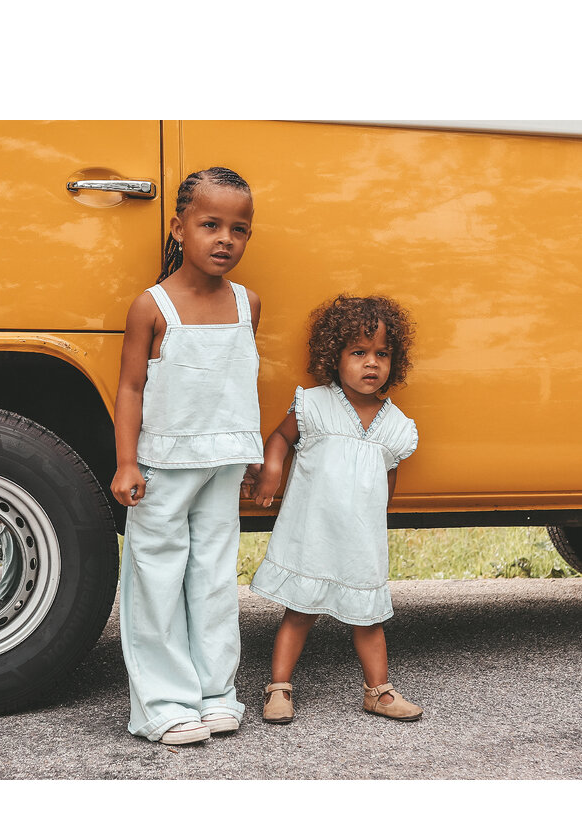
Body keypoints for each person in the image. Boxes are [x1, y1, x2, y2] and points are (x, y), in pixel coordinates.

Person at [110, 167, 263, 745]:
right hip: (162, 468)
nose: (225, 238)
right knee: (156, 578)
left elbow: (240, 381)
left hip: (223, 464)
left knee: (214, 579)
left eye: (239, 229)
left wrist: (249, 451)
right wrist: (127, 461)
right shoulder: (152, 307)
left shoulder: (248, 304)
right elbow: (129, 389)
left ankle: (216, 691)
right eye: (210, 224)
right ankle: (163, 702)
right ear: (178, 228)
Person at [249, 294, 423, 724]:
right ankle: (279, 687)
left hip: (360, 538)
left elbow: (388, 481)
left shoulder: (396, 426)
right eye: (359, 352)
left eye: (381, 354)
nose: (371, 364)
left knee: (368, 618)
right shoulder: (315, 405)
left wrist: (374, 523)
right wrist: (272, 469)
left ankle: (378, 691)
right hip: (314, 532)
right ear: (335, 356)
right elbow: (280, 438)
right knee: (300, 611)